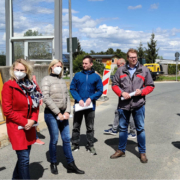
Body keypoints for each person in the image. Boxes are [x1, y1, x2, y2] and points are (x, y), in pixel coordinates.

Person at [110, 49, 155, 163]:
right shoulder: (120, 70)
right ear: (127, 58)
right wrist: (121, 93)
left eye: (135, 57)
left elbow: (150, 86)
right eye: (131, 57)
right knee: (123, 128)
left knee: (140, 129)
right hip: (124, 105)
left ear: (137, 57)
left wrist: (142, 91)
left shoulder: (144, 70)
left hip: (138, 104)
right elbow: (114, 85)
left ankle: (142, 152)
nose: (134, 59)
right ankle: (121, 150)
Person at [41, 59, 84, 175]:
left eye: (60, 66)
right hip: (51, 114)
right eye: (57, 66)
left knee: (66, 139)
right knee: (54, 139)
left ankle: (71, 164)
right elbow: (45, 97)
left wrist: (67, 112)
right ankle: (53, 162)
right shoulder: (46, 79)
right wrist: (57, 113)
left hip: (63, 114)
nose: (59, 68)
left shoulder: (61, 80)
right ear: (51, 67)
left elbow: (66, 97)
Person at [2, 59, 41, 179]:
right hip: (16, 126)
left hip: (29, 126)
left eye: (21, 70)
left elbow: (36, 104)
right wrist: (25, 122)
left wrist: (33, 120)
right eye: (16, 70)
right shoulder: (9, 86)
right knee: (24, 159)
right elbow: (7, 110)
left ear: (27, 71)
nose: (18, 72)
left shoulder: (31, 86)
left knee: (22, 159)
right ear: (13, 70)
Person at [70, 55, 103, 155]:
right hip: (79, 105)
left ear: (91, 64)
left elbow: (100, 90)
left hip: (90, 106)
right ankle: (75, 144)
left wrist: (91, 98)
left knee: (90, 127)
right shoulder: (77, 75)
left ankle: (90, 145)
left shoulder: (96, 77)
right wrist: (78, 99)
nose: (84, 65)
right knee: (76, 125)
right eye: (83, 63)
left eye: (86, 63)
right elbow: (72, 88)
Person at [104, 58, 136, 138]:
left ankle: (132, 132)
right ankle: (115, 129)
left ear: (122, 64)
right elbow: (116, 84)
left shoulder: (127, 71)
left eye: (118, 65)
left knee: (131, 114)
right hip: (123, 97)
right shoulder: (122, 71)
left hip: (129, 98)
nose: (117, 67)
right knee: (118, 112)